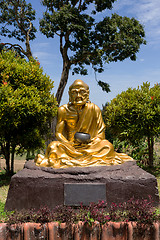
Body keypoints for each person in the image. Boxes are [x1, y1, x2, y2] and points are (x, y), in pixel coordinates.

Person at [35, 79, 133, 168]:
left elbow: (101, 132)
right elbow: (58, 133)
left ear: (87, 94)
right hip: (70, 146)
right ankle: (82, 160)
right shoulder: (63, 110)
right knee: (53, 146)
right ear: (69, 94)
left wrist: (96, 140)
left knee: (107, 146)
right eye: (74, 93)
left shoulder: (94, 109)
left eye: (82, 92)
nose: (78, 96)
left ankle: (76, 160)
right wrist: (67, 143)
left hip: (90, 146)